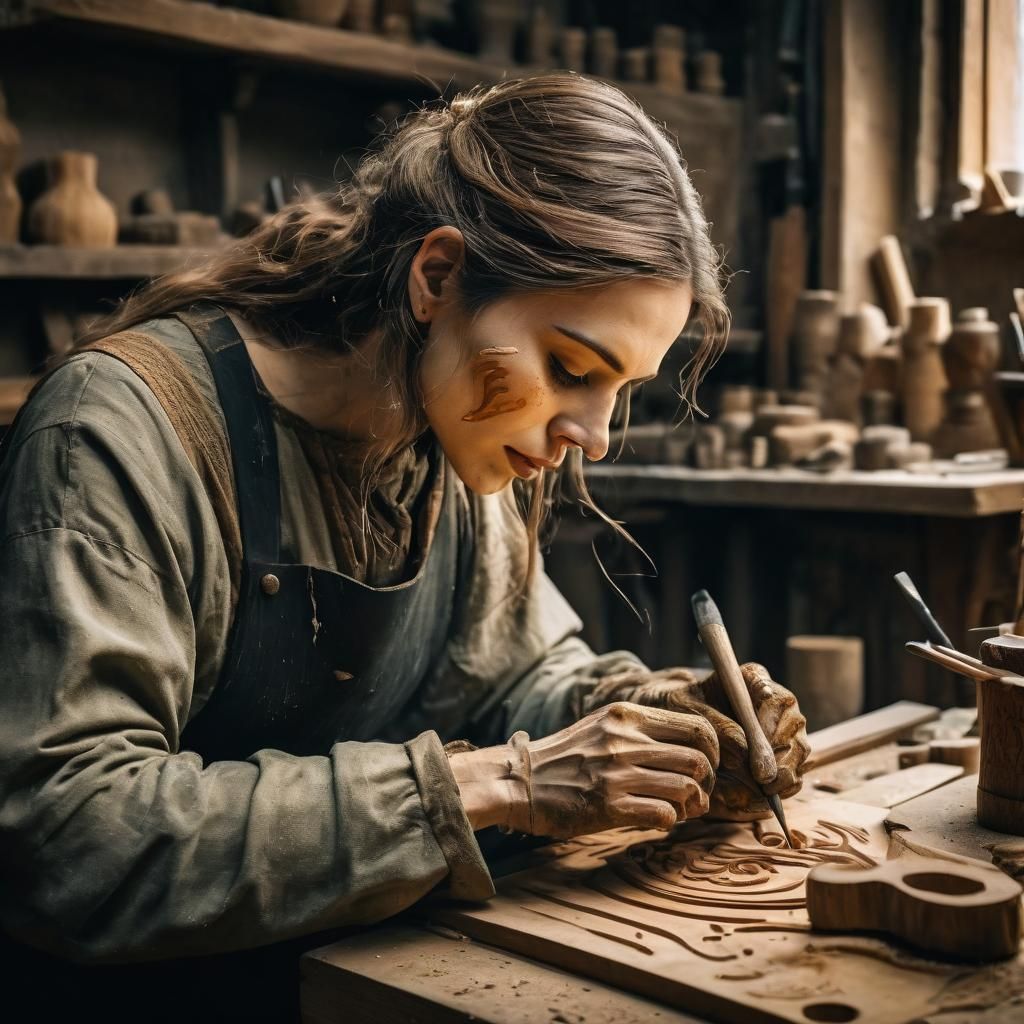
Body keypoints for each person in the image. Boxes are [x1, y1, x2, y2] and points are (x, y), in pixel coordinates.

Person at [0, 74, 808, 1019]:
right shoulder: (120, 434)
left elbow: (515, 679)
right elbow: (69, 837)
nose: (590, 433)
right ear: (437, 277)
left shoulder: (451, 437)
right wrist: (497, 784)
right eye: (571, 369)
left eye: (621, 389)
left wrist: (658, 718)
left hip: (350, 980)